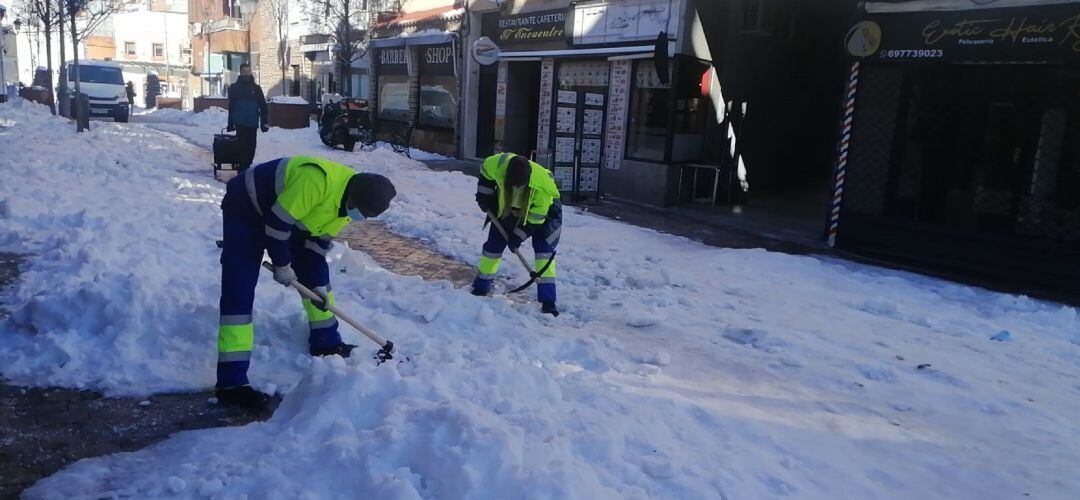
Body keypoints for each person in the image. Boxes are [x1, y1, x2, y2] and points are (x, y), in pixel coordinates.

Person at [216, 156, 397, 410]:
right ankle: (231, 383)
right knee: (240, 288)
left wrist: (318, 285)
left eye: (366, 216)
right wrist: (282, 265)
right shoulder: (316, 181)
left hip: (285, 218)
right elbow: (277, 225)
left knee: (318, 283)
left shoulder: (346, 206)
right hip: (247, 207)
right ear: (354, 197)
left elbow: (314, 247)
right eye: (362, 212)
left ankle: (326, 342)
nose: (359, 217)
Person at [471, 153, 562, 316]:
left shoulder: (542, 187)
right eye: (512, 184)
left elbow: (535, 219)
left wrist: (518, 237)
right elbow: (484, 171)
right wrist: (484, 195)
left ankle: (549, 302)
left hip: (544, 213)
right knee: (493, 247)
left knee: (543, 252)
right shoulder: (497, 165)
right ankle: (481, 287)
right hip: (507, 207)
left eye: (519, 186)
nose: (515, 188)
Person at [226, 64, 268, 171]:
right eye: (244, 71)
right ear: (240, 72)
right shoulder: (234, 88)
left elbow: (263, 105)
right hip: (240, 122)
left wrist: (264, 122)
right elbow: (231, 107)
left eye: (248, 71)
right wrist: (230, 123)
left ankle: (247, 165)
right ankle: (242, 168)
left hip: (252, 122)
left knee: (251, 146)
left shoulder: (256, 88)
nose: (246, 73)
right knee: (242, 146)